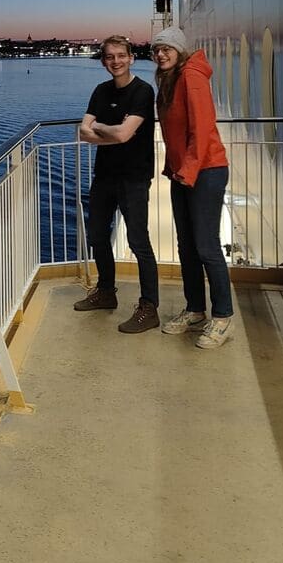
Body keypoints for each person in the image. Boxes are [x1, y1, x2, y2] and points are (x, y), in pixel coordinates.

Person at [151, 26, 233, 349]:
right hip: (183, 173)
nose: (160, 53)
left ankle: (223, 316)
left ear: (180, 50)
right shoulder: (169, 81)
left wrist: (187, 170)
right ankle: (196, 309)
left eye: (167, 48)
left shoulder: (192, 77)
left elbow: (201, 129)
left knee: (206, 245)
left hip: (206, 171)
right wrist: (174, 168)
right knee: (186, 245)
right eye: (157, 49)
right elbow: (174, 131)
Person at [75, 35, 159, 333]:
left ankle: (149, 307)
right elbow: (82, 133)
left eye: (121, 56)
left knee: (138, 241)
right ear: (104, 61)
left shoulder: (143, 91)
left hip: (134, 176)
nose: (116, 61)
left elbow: (123, 135)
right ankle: (106, 293)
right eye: (110, 57)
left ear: (131, 58)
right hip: (105, 174)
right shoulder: (101, 90)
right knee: (98, 235)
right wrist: (107, 129)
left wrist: (100, 127)